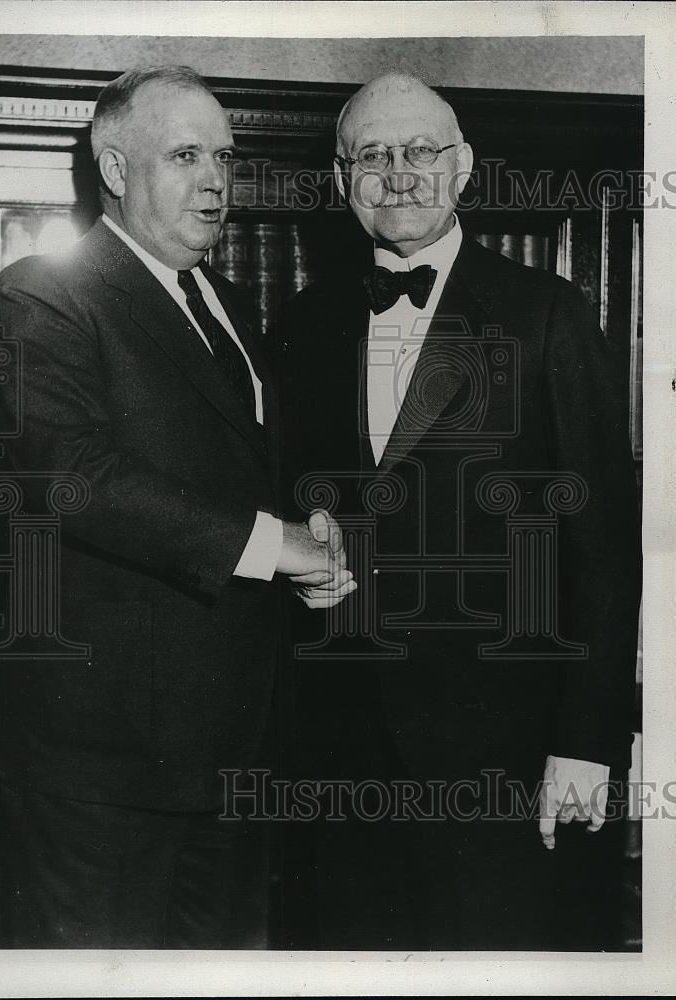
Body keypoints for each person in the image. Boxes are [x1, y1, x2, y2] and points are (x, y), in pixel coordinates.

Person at [0, 65, 354, 949]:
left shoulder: (226, 302)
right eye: (185, 155)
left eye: (224, 156)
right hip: (103, 767)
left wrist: (311, 536)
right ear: (114, 167)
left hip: (231, 756)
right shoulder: (41, 293)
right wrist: (275, 546)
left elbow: (236, 475)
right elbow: (70, 472)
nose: (217, 180)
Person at [279, 73, 641, 950]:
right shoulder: (300, 323)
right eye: (373, 155)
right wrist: (301, 573)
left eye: (420, 151)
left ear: (464, 169)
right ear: (341, 181)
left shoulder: (547, 316)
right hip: (341, 751)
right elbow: (293, 506)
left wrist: (588, 745)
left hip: (508, 757)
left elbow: (604, 546)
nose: (397, 174)